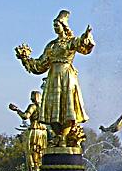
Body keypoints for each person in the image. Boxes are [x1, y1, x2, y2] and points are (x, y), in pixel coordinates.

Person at [15, 10, 95, 149]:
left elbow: (82, 45)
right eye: (54, 25)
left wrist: (86, 36)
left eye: (57, 25)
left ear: (64, 26)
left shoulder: (70, 42)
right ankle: (58, 137)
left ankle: (64, 138)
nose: (55, 28)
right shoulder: (51, 46)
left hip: (67, 77)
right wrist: (25, 58)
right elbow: (39, 65)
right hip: (53, 78)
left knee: (67, 109)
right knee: (54, 110)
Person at [9, 91, 47, 171]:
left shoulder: (33, 106)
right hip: (44, 132)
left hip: (34, 131)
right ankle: (40, 167)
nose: (31, 98)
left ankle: (34, 168)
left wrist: (17, 110)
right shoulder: (44, 107)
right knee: (41, 150)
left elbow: (25, 116)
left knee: (32, 150)